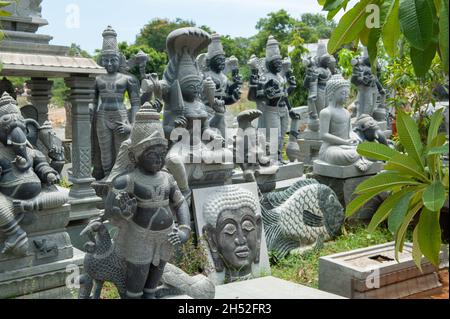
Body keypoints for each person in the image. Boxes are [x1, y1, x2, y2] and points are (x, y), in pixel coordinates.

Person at [104, 130, 191, 299]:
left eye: (162, 154)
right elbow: (109, 212)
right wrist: (124, 214)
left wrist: (185, 229)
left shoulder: (168, 178)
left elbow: (180, 203)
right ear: (134, 157)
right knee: (135, 287)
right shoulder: (127, 180)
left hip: (167, 237)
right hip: (139, 237)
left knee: (152, 286)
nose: (159, 159)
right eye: (152, 154)